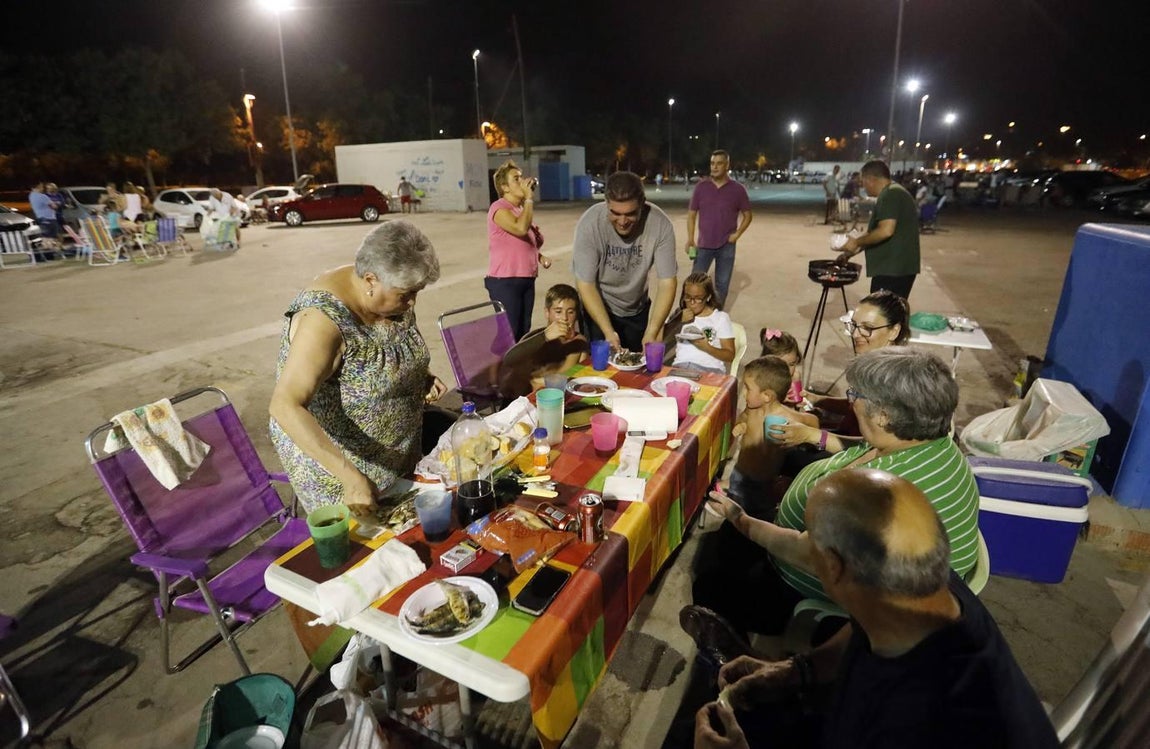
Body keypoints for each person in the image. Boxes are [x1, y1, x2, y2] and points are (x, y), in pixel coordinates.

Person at [693, 468, 1058, 749]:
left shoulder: (917, 720)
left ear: (833, 566)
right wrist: (795, 670)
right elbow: (857, 630)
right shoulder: (921, 586)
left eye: (808, 538)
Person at [690, 347, 980, 637]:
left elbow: (809, 555)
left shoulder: (883, 488)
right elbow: (860, 449)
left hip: (823, 595)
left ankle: (734, 655)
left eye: (855, 395)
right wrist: (812, 442)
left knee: (709, 582)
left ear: (883, 415)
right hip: (860, 561)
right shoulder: (929, 443)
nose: (851, 402)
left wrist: (740, 518)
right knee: (726, 545)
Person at [268, 221, 449, 516]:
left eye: (417, 292)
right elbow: (285, 405)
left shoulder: (389, 292)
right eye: (406, 294)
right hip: (340, 472)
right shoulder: (324, 321)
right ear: (370, 280)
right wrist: (350, 477)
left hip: (397, 453)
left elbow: (383, 352)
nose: (412, 301)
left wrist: (418, 375)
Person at [572, 171, 678, 353]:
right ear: (606, 203)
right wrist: (608, 331)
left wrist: (652, 330)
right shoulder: (589, 224)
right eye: (615, 213)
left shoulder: (660, 224)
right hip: (599, 307)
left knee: (636, 365)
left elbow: (667, 282)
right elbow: (585, 284)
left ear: (642, 204)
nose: (622, 221)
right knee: (600, 366)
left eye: (630, 214)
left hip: (637, 309)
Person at [727, 356, 819, 519]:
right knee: (733, 513)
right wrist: (740, 426)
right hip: (740, 475)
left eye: (748, 388)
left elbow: (812, 421)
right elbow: (741, 419)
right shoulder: (751, 410)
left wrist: (808, 438)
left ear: (767, 396)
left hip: (765, 484)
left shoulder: (788, 417)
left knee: (759, 518)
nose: (743, 393)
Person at [836, 160, 920, 300]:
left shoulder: (891, 195)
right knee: (891, 310)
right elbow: (875, 233)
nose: (863, 187)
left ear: (871, 179)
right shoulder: (894, 192)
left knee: (882, 310)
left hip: (893, 269)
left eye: (863, 182)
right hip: (897, 268)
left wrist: (856, 242)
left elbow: (885, 231)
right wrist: (850, 253)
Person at [486, 160, 550, 341]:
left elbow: (522, 243)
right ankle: (499, 360)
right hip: (506, 281)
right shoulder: (499, 208)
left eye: (521, 177)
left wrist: (539, 256)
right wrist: (529, 199)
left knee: (523, 332)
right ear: (504, 187)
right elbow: (520, 228)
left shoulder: (520, 210)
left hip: (526, 278)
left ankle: (515, 361)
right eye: (516, 179)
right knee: (509, 333)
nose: (522, 181)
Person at [497, 283, 589, 398]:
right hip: (527, 400)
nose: (565, 318)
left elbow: (581, 378)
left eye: (570, 312)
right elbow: (509, 360)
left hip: (561, 398)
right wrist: (545, 336)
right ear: (547, 313)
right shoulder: (534, 341)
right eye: (558, 311)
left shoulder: (579, 342)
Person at [686, 151, 753, 306]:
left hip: (726, 246)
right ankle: (693, 313)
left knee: (722, 285)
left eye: (719, 163)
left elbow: (748, 216)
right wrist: (690, 239)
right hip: (704, 245)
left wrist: (737, 234)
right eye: (712, 163)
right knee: (695, 283)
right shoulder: (701, 187)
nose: (714, 167)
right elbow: (691, 215)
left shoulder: (738, 189)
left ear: (727, 165)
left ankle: (716, 314)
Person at [671, 272, 735, 374]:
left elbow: (730, 356)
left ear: (708, 297)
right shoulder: (680, 314)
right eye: (688, 297)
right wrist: (676, 321)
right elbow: (659, 340)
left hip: (709, 370)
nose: (692, 303)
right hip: (681, 367)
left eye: (698, 298)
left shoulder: (720, 318)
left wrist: (707, 347)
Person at [759, 328, 804, 406]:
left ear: (797, 359)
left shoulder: (794, 377)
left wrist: (798, 403)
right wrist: (779, 400)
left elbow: (795, 404)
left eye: (792, 364)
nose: (788, 370)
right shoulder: (763, 380)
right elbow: (757, 404)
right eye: (782, 365)